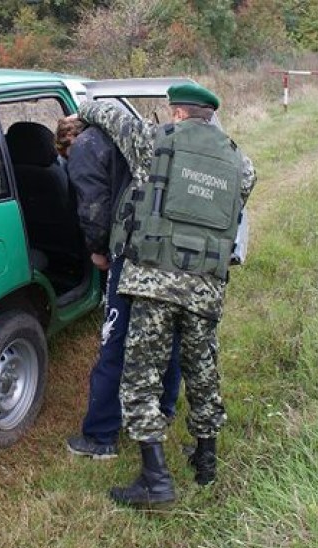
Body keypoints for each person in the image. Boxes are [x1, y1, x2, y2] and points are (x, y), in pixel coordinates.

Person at [77, 82, 257, 506]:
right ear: (209, 115)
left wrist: (83, 105)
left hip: (154, 282)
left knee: (141, 377)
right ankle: (205, 461)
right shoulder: (242, 164)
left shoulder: (151, 141)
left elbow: (109, 117)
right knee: (202, 369)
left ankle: (154, 480)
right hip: (206, 287)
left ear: (176, 113)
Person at [54, 116, 182, 460]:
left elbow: (94, 206)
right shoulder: (131, 138)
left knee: (115, 339)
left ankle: (101, 436)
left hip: (127, 252)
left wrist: (97, 250)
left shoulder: (84, 147)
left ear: (67, 143)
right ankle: (165, 408)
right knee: (169, 331)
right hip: (168, 247)